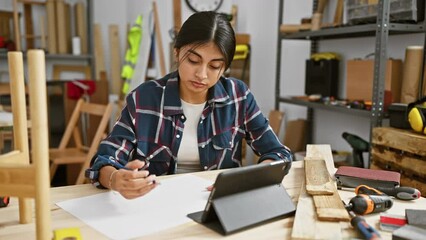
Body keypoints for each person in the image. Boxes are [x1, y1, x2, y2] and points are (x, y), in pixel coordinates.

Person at [86, 11, 292, 199]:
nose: (202, 74)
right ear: (177, 53)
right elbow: (104, 159)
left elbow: (279, 154)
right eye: (193, 60)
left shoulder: (239, 96)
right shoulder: (143, 99)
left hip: (216, 203)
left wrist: (248, 180)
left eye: (214, 66)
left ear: (225, 68)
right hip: (155, 203)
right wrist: (115, 179)